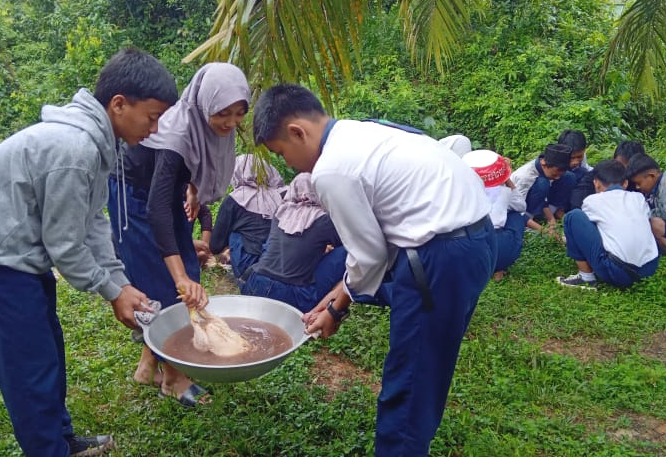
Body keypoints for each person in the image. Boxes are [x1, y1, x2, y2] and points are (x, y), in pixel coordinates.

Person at [0, 48, 176, 456]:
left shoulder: (98, 144)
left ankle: (60, 440)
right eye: (152, 116)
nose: (154, 128)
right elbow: (66, 247)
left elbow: (92, 222)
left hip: (20, 242)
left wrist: (120, 282)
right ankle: (47, 449)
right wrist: (112, 292)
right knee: (28, 361)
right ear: (118, 104)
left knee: (47, 346)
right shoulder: (75, 152)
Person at [253, 84, 495, 456]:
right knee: (428, 364)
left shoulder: (331, 170)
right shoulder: (360, 130)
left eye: (281, 152)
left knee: (411, 379)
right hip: (476, 239)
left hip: (440, 257)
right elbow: (373, 253)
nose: (287, 164)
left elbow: (368, 255)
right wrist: (340, 293)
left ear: (297, 132)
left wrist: (336, 308)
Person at [107, 62, 250, 407]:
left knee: (186, 272)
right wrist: (181, 276)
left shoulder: (210, 130)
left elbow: (199, 166)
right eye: (222, 114)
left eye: (238, 113)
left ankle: (146, 367)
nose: (230, 123)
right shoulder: (177, 135)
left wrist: (193, 189)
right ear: (204, 106)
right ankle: (173, 378)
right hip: (134, 195)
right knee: (165, 285)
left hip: (165, 192)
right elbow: (156, 211)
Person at [240, 172, 347, 312]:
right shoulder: (324, 220)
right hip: (293, 294)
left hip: (256, 281)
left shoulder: (281, 212)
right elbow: (345, 242)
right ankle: (347, 291)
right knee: (346, 250)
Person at [557, 160, 659, 290]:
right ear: (626, 183)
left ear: (596, 183)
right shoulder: (638, 198)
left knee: (573, 217)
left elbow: (584, 229)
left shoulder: (592, 201)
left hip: (619, 273)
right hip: (649, 268)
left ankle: (586, 277)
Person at [209, 153, 285, 283]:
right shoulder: (280, 197)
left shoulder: (234, 200)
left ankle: (243, 277)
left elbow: (215, 246)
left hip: (248, 264)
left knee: (234, 233)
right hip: (279, 264)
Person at [462, 147, 527, 281]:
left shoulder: (461, 194)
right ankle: (499, 267)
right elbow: (521, 206)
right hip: (500, 250)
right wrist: (507, 179)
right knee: (517, 215)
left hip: (469, 249)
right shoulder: (503, 193)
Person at [508, 143, 573, 241]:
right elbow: (517, 211)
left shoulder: (547, 170)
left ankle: (549, 214)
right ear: (544, 164)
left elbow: (543, 198)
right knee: (543, 183)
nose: (557, 178)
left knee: (569, 177)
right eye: (555, 174)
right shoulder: (525, 177)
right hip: (519, 208)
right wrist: (543, 231)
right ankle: (531, 222)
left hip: (537, 199)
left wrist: (551, 220)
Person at [570, 139, 648, 208]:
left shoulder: (642, 182)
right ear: (613, 160)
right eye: (619, 165)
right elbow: (577, 200)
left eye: (627, 168)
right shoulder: (601, 172)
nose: (622, 171)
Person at [548, 129, 591, 213]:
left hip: (571, 191)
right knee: (569, 176)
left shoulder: (582, 155)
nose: (575, 162)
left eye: (579, 157)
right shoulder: (554, 158)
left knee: (585, 173)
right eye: (571, 158)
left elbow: (586, 169)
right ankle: (557, 211)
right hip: (553, 193)